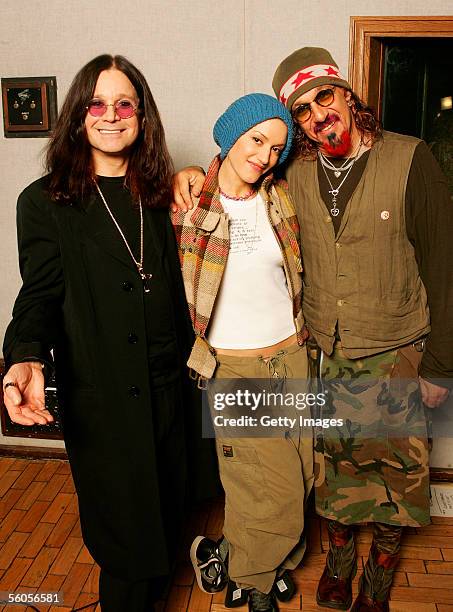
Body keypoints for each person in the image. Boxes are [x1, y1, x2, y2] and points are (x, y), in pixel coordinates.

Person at [172, 47, 453, 611]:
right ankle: (337, 564)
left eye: (324, 97)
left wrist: (441, 363)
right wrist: (189, 174)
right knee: (331, 471)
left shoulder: (410, 158)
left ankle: (376, 578)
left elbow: (446, 265)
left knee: (397, 478)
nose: (317, 114)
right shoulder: (292, 174)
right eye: (301, 110)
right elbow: (233, 172)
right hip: (321, 350)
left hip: (395, 349)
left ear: (346, 94)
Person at [2, 54, 197, 612]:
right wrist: (24, 356)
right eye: (97, 104)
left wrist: (195, 173)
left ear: (142, 115)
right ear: (78, 116)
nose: (111, 115)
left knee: (164, 529)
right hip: (106, 403)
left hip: (170, 396)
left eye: (124, 103)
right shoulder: (45, 203)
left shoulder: (164, 196)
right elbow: (38, 295)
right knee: (125, 547)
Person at [171, 93, 314, 612]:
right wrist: (181, 174)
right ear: (232, 136)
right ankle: (250, 581)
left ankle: (236, 553)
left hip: (291, 356)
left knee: (299, 474)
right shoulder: (190, 206)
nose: (265, 156)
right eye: (256, 140)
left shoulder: (280, 197)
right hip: (235, 365)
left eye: (277, 147)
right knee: (263, 485)